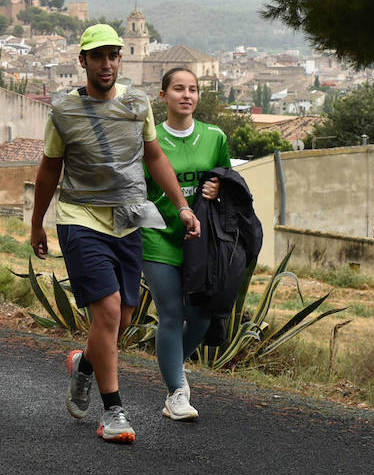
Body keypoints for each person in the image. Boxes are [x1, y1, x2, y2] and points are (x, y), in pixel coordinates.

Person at [30, 25, 200, 444]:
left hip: (127, 218)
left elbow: (154, 156)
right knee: (106, 314)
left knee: (121, 319)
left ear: (120, 60)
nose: (106, 64)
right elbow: (50, 167)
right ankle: (114, 412)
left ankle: (83, 366)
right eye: (97, 56)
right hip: (80, 217)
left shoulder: (137, 103)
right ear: (82, 61)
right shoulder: (64, 111)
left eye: (113, 56)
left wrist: (181, 206)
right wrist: (37, 222)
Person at [141, 67, 230, 423]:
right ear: (163, 96)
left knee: (203, 315)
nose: (186, 95)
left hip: (200, 241)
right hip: (158, 235)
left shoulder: (215, 137)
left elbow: (229, 181)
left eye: (192, 89)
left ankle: (174, 368)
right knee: (172, 314)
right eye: (178, 89)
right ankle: (176, 393)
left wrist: (219, 188)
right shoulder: (150, 138)